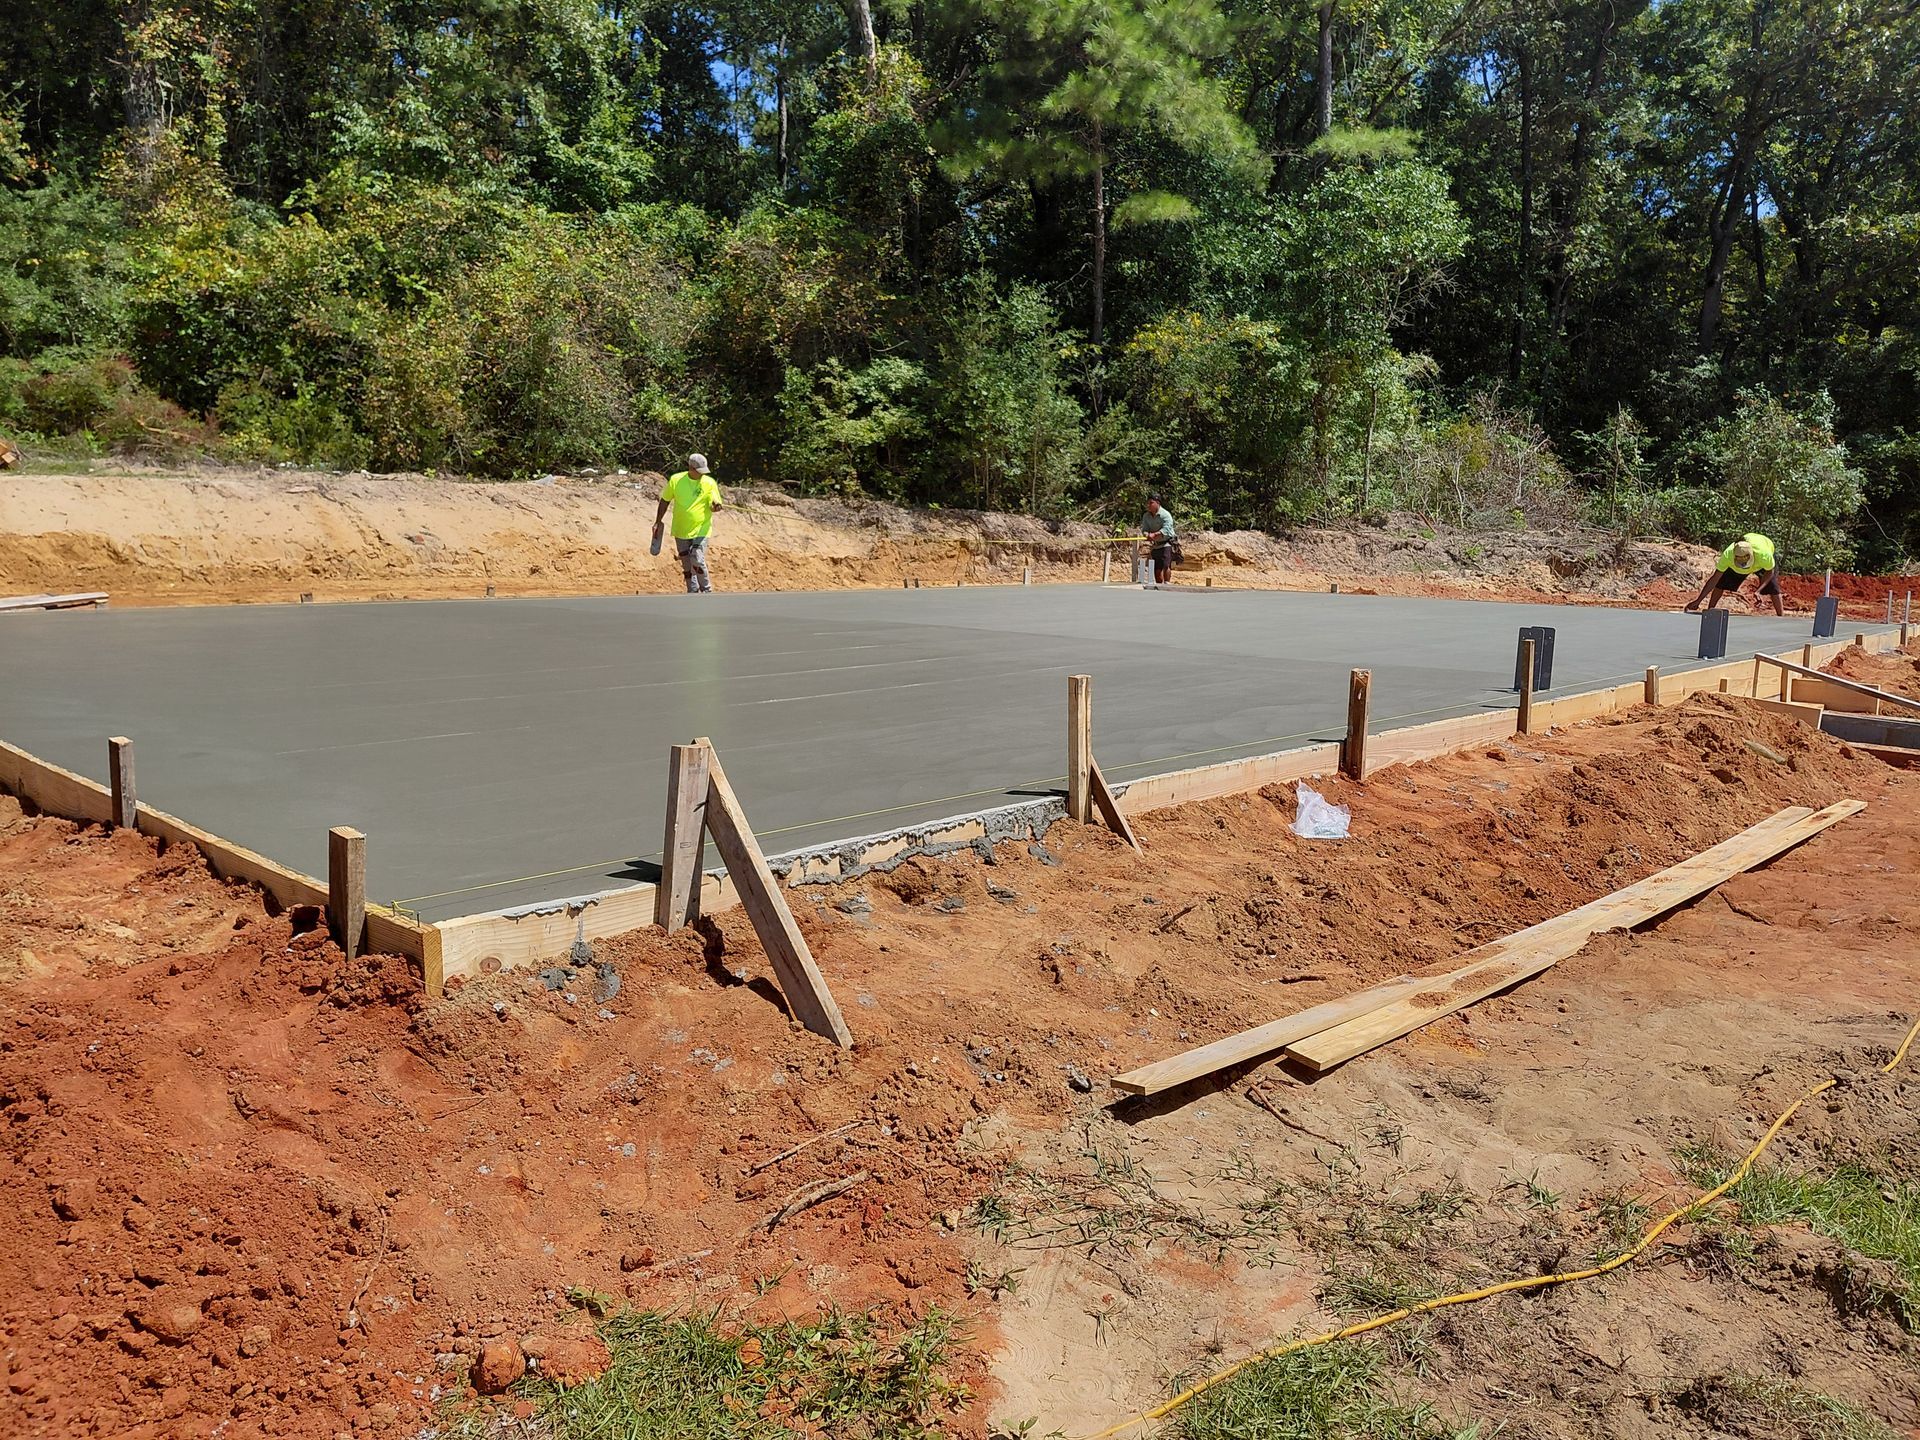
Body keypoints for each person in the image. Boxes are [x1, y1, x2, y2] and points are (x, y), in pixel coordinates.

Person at [653, 454, 724, 594]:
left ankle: (706, 589)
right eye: (699, 470)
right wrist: (658, 521)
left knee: (697, 557)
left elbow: (714, 502)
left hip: (701, 528)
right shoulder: (676, 480)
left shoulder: (709, 483)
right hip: (681, 529)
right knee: (686, 563)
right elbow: (665, 500)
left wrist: (716, 507)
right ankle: (692, 591)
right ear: (691, 468)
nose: (702, 474)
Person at [1684, 532, 1784, 617]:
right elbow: (1715, 579)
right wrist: (1698, 601)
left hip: (1763, 551)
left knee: (1773, 586)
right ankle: (1711, 611)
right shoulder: (1728, 555)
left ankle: (1781, 617)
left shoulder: (1764, 555)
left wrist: (1758, 591)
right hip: (1739, 563)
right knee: (1720, 583)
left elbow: (1770, 572)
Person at [1141, 495, 1177, 585]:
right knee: (1157, 567)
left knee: (1166, 565)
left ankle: (1167, 583)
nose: (1148, 505)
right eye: (1148, 503)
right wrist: (1146, 534)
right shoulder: (1146, 516)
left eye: (1151, 503)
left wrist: (1155, 534)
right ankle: (1159, 585)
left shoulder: (1165, 515)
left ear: (1158, 503)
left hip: (1166, 542)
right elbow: (1144, 529)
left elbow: (1167, 529)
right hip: (1155, 544)